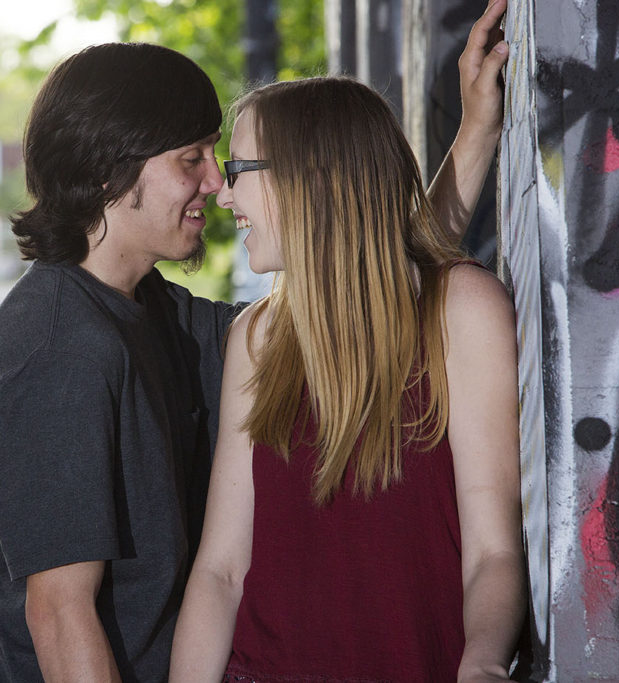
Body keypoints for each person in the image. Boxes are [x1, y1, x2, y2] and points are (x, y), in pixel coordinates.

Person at [0, 4, 509, 679]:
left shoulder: (152, 313)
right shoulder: (53, 351)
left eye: (221, 160)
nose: (216, 185)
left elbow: (359, 279)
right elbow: (58, 614)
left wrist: (477, 135)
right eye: (191, 159)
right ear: (111, 171)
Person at [169, 40, 523, 683]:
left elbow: (493, 551)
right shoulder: (255, 338)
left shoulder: (463, 311)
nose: (222, 195)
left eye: (238, 167)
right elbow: (221, 570)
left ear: (311, 175)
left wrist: (484, 664)